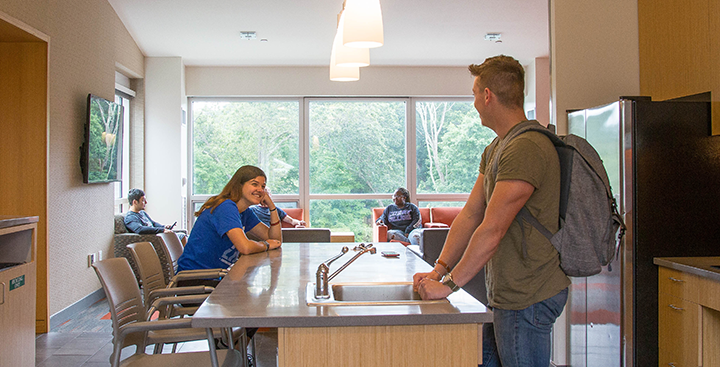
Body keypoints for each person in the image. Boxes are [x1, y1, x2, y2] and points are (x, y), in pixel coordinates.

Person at [413, 55, 569, 367]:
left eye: (474, 93)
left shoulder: (526, 148)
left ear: (488, 96)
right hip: (508, 292)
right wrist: (437, 270)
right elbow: (470, 214)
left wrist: (449, 286)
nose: (473, 102)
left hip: (529, 293)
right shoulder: (497, 148)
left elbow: (491, 229)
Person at [177, 165, 282, 275]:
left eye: (263, 186)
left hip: (216, 277)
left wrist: (271, 206)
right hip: (196, 279)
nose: (260, 190)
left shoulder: (244, 212)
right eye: (254, 184)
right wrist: (266, 245)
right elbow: (245, 247)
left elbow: (275, 240)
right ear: (239, 185)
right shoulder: (225, 207)